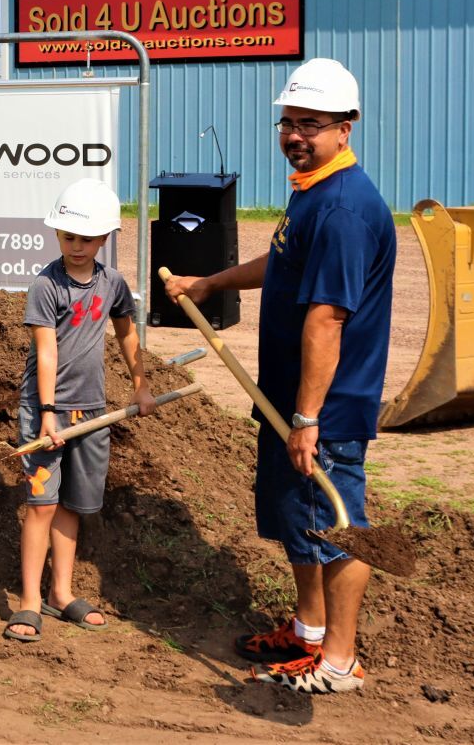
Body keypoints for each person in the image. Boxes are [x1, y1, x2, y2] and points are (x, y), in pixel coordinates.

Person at [166, 57, 396, 695]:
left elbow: (326, 319)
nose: (295, 136)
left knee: (337, 525)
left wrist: (307, 418)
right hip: (292, 401)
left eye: (312, 125)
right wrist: (212, 282)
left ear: (345, 128)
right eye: (288, 122)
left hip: (327, 407)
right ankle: (309, 632)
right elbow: (284, 260)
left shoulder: (347, 208)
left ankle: (340, 662)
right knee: (299, 519)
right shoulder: (315, 191)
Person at [3, 179, 153, 644]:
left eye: (87, 239)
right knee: (40, 507)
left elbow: (128, 334)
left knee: (73, 506)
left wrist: (140, 385)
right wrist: (47, 412)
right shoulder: (46, 285)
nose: (77, 246)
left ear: (104, 238)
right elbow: (45, 352)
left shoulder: (113, 284)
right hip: (47, 410)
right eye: (68, 237)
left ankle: (61, 592)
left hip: (93, 413)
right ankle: (29, 601)